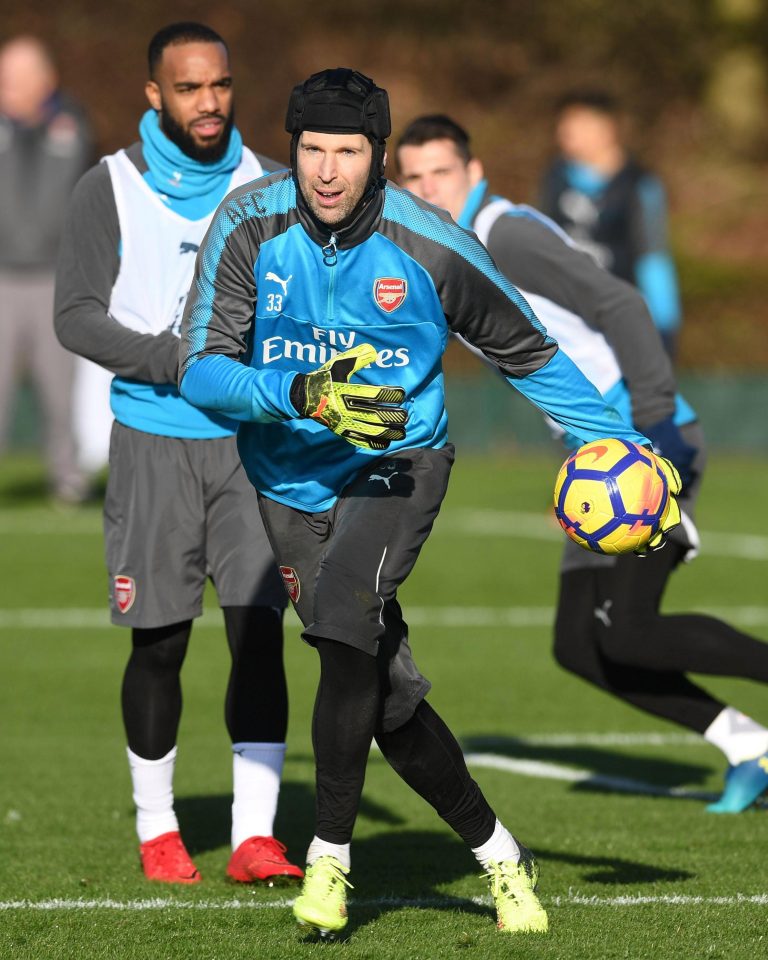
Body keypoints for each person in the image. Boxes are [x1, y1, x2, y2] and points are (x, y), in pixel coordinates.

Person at [177, 68, 679, 938]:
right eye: (311, 151)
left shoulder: (433, 245)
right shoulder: (247, 222)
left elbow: (530, 351)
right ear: (291, 151)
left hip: (397, 465)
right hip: (287, 480)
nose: (327, 171)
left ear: (379, 159)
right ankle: (499, 855)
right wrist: (297, 393)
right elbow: (199, 369)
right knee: (388, 696)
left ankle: (328, 865)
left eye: (348, 152)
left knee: (340, 625)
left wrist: (620, 447)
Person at [395, 113, 768, 815]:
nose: (427, 187)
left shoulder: (505, 232)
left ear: (474, 174)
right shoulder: (437, 250)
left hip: (641, 448)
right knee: (579, 645)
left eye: (440, 171)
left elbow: (619, 304)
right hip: (596, 462)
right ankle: (748, 744)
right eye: (411, 177)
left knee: (626, 629)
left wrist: (658, 428)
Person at [54, 22, 302, 885]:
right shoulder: (108, 186)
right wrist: (177, 360)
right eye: (190, 88)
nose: (210, 102)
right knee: (158, 644)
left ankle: (254, 835)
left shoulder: (273, 185)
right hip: (153, 443)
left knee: (258, 635)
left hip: (251, 451)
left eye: (221, 85)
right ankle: (159, 828)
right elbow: (76, 316)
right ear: (155, 95)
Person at [0, 35, 91, 503]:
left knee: (59, 390)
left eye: (14, 77)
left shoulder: (70, 125)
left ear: (44, 80)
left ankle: (67, 478)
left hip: (55, 277)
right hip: (2, 277)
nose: (5, 86)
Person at [537, 90, 683, 359]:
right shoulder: (555, 176)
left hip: (621, 323)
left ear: (606, 129)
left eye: (576, 124)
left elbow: (652, 256)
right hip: (569, 322)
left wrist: (664, 329)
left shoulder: (639, 184)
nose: (563, 132)